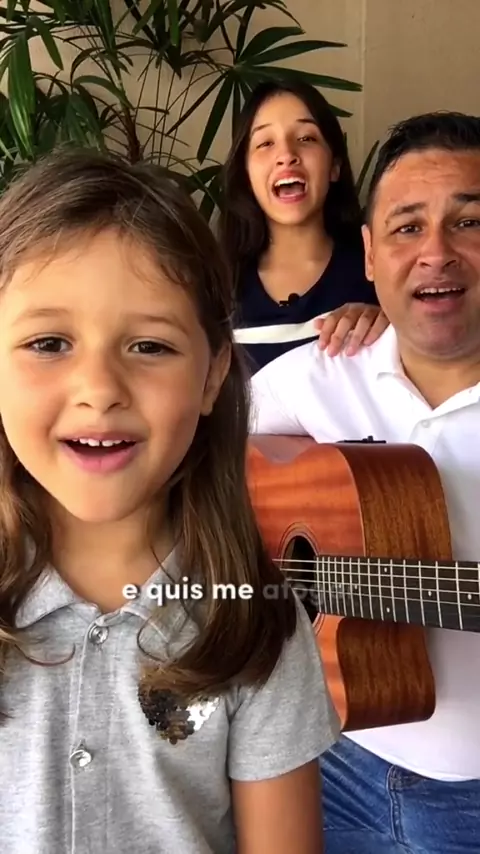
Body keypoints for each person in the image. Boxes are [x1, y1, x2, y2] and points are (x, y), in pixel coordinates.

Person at [0, 148, 338, 854]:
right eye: (49, 342)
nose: (100, 389)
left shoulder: (255, 624)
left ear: (213, 376)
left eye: (150, 347)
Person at [250, 111, 480, 853]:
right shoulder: (307, 378)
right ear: (371, 255)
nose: (436, 252)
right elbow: (197, 496)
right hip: (325, 758)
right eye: (408, 228)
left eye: (469, 222)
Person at [218, 80, 389, 373]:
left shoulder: (380, 272)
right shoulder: (214, 284)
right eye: (265, 143)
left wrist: (391, 328)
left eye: (306, 138)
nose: (286, 155)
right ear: (245, 173)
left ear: (335, 166)